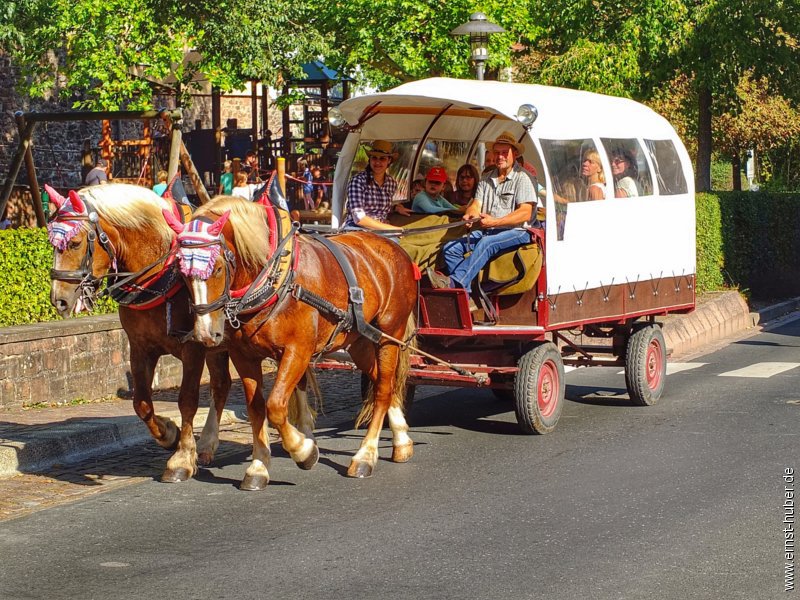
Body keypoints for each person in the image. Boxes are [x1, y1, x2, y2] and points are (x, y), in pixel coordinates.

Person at [430, 131, 538, 300]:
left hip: (518, 231)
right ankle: (468, 294)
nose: (500, 156)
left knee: (488, 243)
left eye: (504, 152)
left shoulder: (523, 177)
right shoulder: (486, 178)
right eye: (497, 152)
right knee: (450, 249)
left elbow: (525, 212)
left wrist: (496, 221)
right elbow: (476, 204)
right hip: (489, 228)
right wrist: (470, 214)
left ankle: (454, 283)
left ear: (514, 154)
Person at [342, 139, 411, 231]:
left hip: (381, 229)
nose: (378, 162)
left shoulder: (391, 183)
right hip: (357, 229)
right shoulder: (358, 181)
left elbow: (381, 207)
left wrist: (395, 208)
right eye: (374, 158)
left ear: (389, 161)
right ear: (369, 159)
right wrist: (392, 229)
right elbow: (359, 218)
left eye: (382, 158)